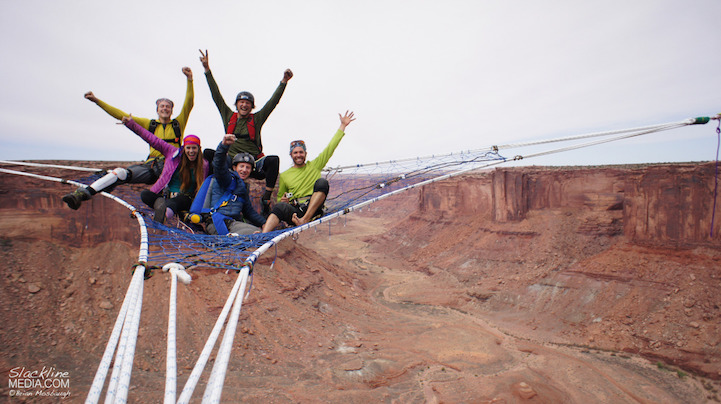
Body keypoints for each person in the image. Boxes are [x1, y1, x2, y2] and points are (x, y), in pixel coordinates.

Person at [64, 116, 209, 225]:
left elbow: (205, 185)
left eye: (194, 148)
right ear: (184, 148)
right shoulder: (173, 153)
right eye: (188, 148)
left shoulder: (203, 165)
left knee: (177, 202)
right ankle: (160, 207)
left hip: (185, 199)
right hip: (166, 194)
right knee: (145, 194)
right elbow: (151, 139)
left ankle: (163, 216)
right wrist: (131, 124)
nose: (191, 151)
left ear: (199, 149)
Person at [199, 49, 292, 215]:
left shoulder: (257, 119)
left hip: (253, 163)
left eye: (247, 103)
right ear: (236, 104)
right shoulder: (228, 116)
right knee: (208, 153)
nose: (244, 105)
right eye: (241, 102)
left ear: (252, 106)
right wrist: (207, 69)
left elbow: (272, 103)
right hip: (231, 162)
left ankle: (266, 198)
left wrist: (283, 82)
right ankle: (209, 189)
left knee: (273, 160)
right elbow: (216, 95)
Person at [82, 67, 195, 188]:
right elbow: (121, 115)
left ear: (172, 111)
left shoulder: (178, 123)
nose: (165, 108)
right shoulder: (149, 124)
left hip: (174, 164)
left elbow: (188, 103)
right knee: (125, 174)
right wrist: (97, 101)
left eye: (168, 107)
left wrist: (189, 80)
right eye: (162, 106)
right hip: (152, 165)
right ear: (157, 110)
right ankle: (90, 190)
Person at [261, 111, 355, 233]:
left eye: (301, 152)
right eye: (295, 152)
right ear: (291, 155)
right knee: (279, 207)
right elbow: (280, 198)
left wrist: (342, 126)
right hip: (296, 211)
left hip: (313, 208)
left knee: (322, 183)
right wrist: (283, 200)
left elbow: (330, 147)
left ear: (305, 154)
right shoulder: (284, 175)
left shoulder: (315, 165)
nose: (298, 155)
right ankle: (264, 235)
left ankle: (305, 220)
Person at [193, 134, 266, 235]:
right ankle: (232, 239)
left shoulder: (242, 188)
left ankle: (232, 239)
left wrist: (265, 223)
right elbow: (218, 165)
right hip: (217, 222)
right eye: (241, 166)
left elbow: (249, 212)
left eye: (248, 167)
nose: (244, 170)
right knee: (252, 234)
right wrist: (223, 146)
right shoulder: (226, 179)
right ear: (234, 168)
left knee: (259, 233)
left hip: (232, 224)